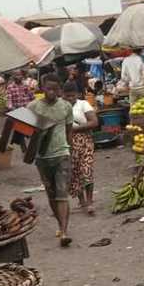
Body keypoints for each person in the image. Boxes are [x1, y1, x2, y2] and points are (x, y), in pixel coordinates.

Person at [27, 74, 74, 247]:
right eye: (48, 89)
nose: (52, 92)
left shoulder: (66, 107)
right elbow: (24, 131)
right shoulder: (33, 107)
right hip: (42, 157)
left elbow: (69, 130)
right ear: (42, 88)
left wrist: (70, 150)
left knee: (62, 193)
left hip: (61, 154)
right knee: (51, 193)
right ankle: (60, 225)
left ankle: (64, 231)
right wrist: (29, 151)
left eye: (55, 89)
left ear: (60, 89)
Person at [63, 81, 97, 215]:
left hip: (84, 141)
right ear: (62, 95)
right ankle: (81, 200)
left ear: (77, 94)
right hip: (67, 143)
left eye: (72, 96)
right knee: (75, 173)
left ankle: (89, 202)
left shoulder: (83, 104)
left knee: (86, 169)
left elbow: (94, 122)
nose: (70, 99)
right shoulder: (60, 106)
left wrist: (76, 128)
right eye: (67, 96)